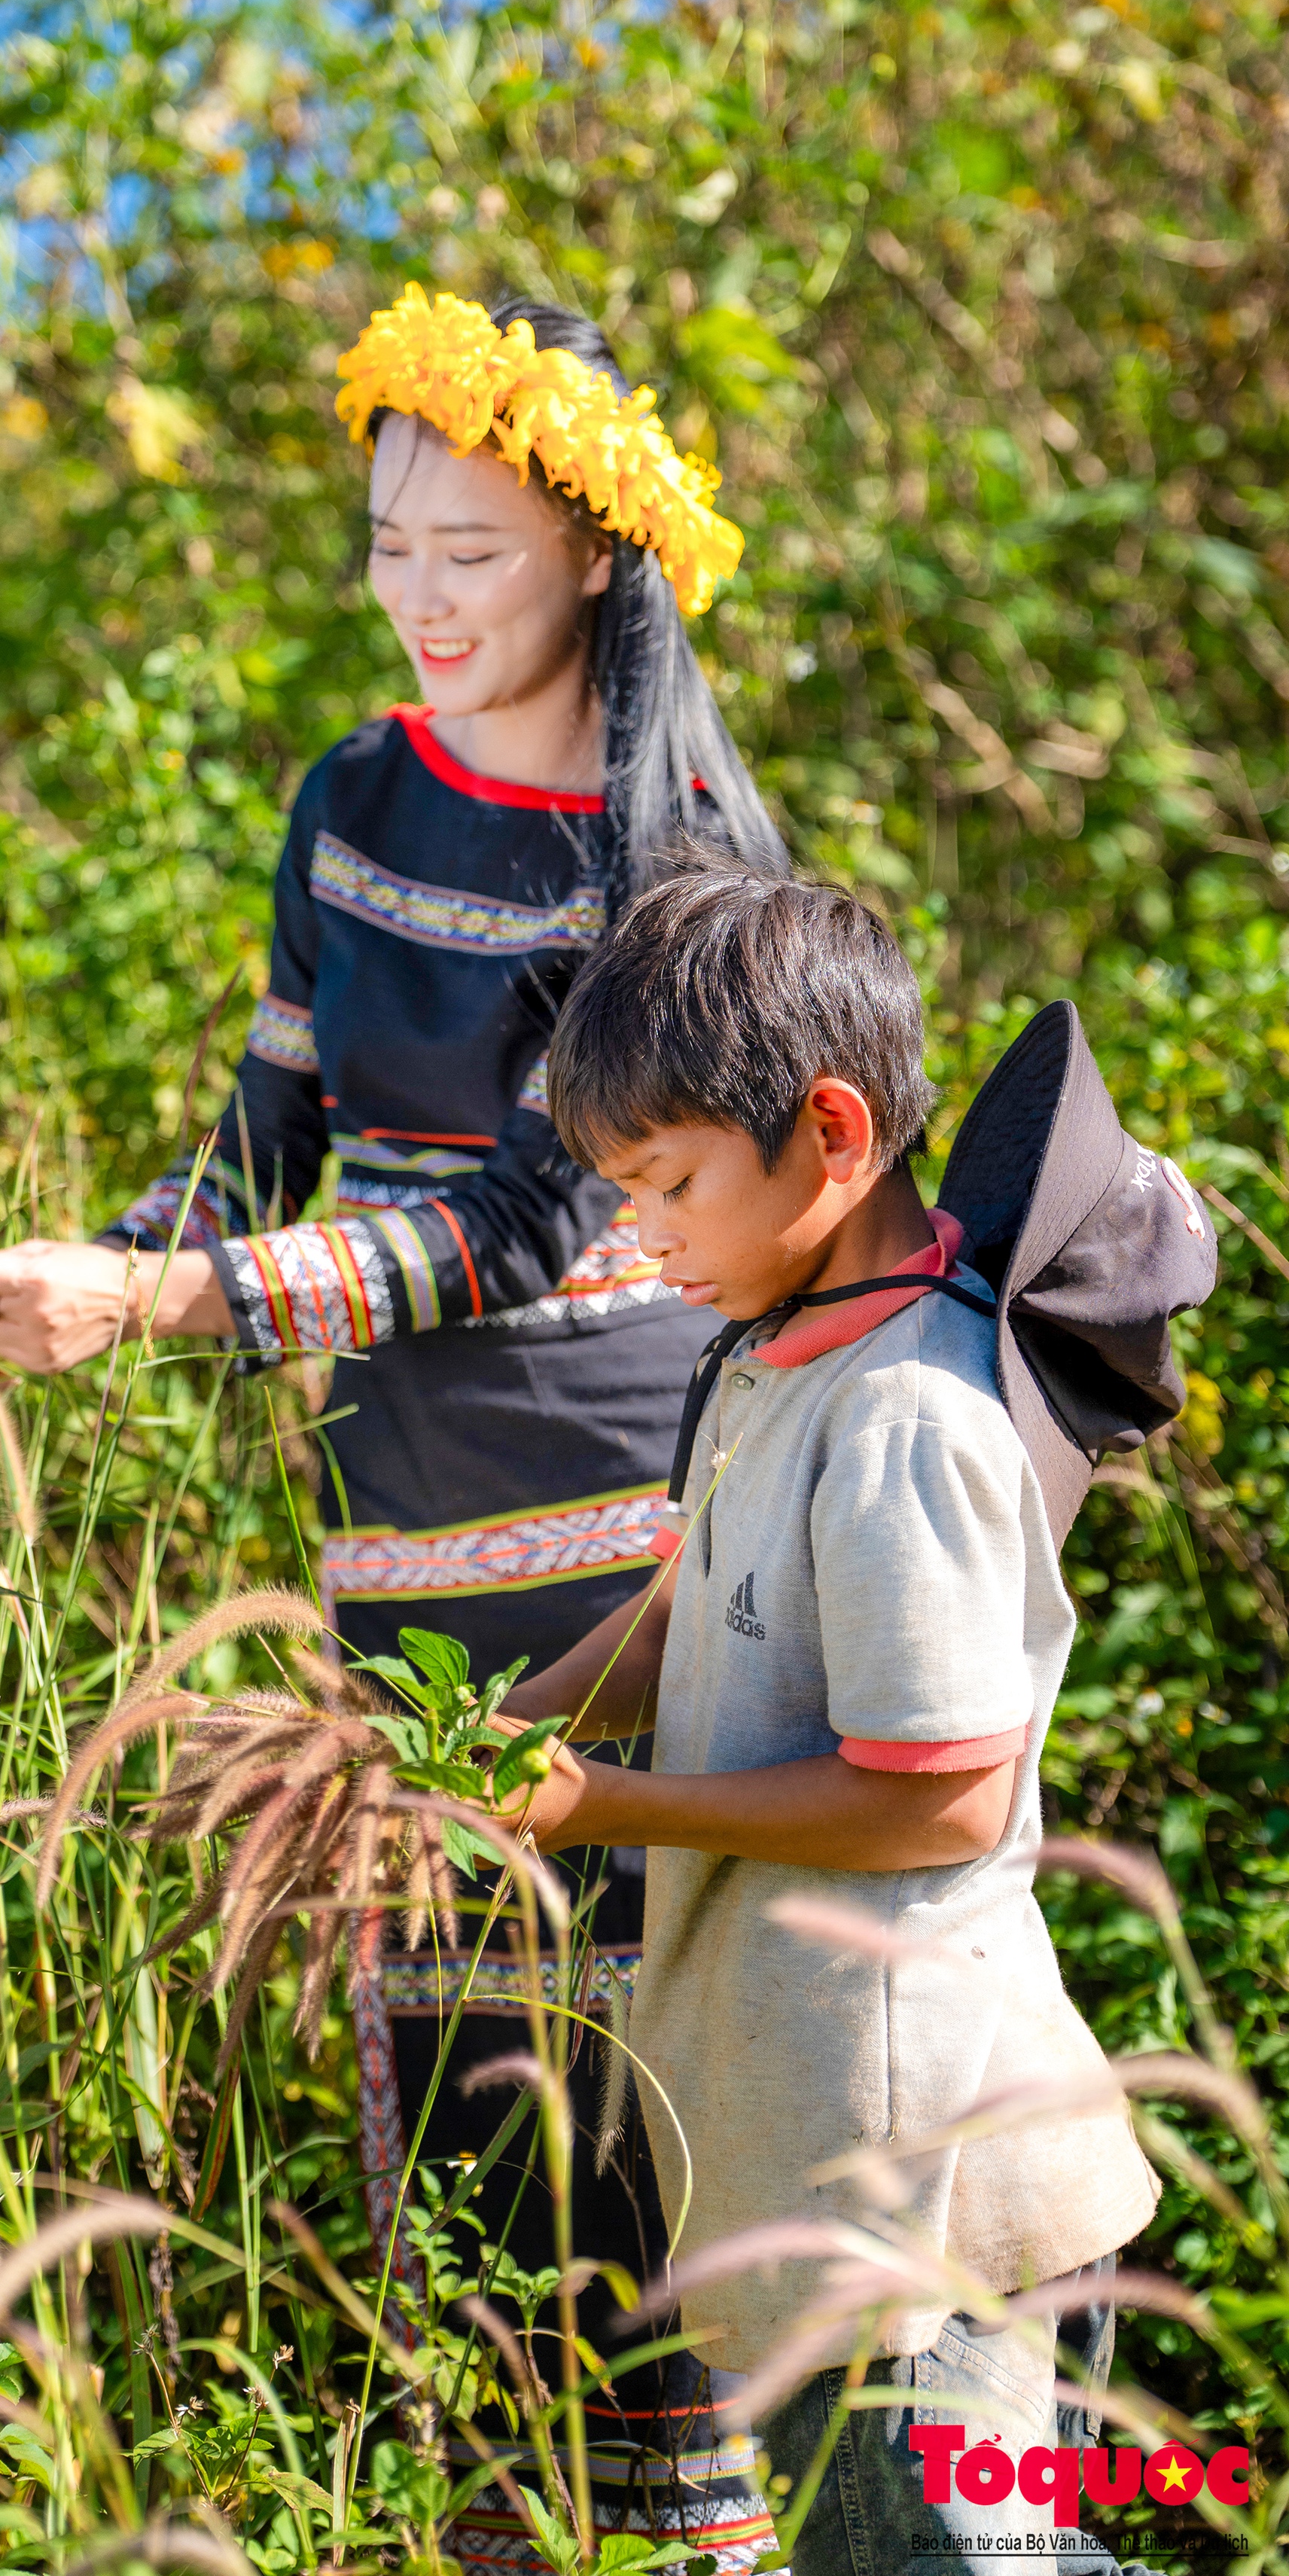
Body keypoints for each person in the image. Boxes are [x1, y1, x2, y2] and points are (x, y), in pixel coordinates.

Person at [0, 285, 790, 2571]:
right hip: (391, 1511)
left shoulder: (673, 846)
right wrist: (86, 1267)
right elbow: (269, 1136)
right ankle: (497, 2513)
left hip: (626, 1514)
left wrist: (171, 1302)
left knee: (642, 2037)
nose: (419, 592)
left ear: (598, 556)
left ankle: (705, 2532)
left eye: (471, 551)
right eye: (387, 539)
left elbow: (518, 1223)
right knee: (454, 2026)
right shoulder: (348, 800)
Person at [507, 858, 1176, 2576]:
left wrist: (594, 1808)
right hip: (809, 2142)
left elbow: (938, 1797)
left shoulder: (906, 1423)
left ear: (828, 1130)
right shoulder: (773, 1352)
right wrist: (480, 1730)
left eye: (663, 1186)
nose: (634, 1237)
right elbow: (682, 1610)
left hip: (918, 2181)